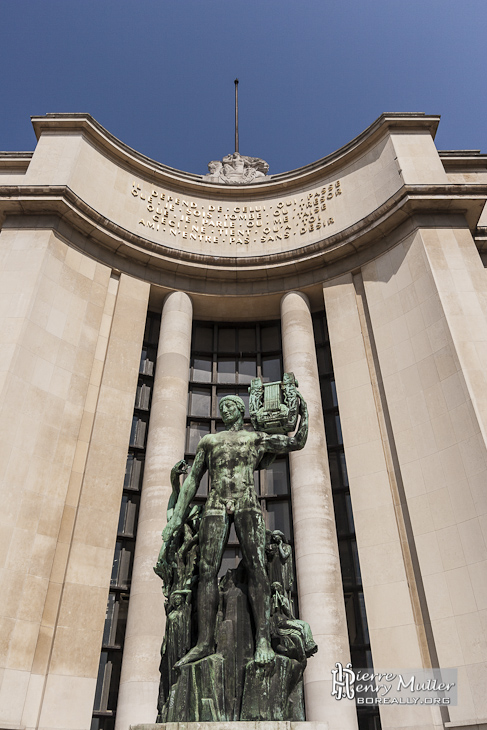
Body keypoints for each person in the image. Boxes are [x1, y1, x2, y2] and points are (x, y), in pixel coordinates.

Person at [160, 392, 308, 671]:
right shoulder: (210, 441)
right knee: (206, 570)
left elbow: (295, 441)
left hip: (246, 502)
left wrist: (303, 409)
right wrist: (176, 519)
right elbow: (193, 479)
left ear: (241, 411)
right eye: (222, 407)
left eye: (230, 406)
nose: (225, 410)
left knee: (257, 569)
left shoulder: (255, 437)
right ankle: (204, 643)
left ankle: (263, 640)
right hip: (215, 503)